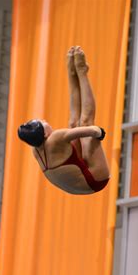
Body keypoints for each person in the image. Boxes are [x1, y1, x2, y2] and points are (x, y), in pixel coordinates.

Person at [17, 46, 110, 194]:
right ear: (45, 134)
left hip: (78, 174)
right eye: (43, 122)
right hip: (95, 180)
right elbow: (92, 130)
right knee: (85, 122)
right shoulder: (55, 138)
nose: (44, 119)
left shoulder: (37, 150)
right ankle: (82, 72)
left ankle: (72, 72)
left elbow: (74, 119)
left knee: (73, 123)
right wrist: (99, 133)